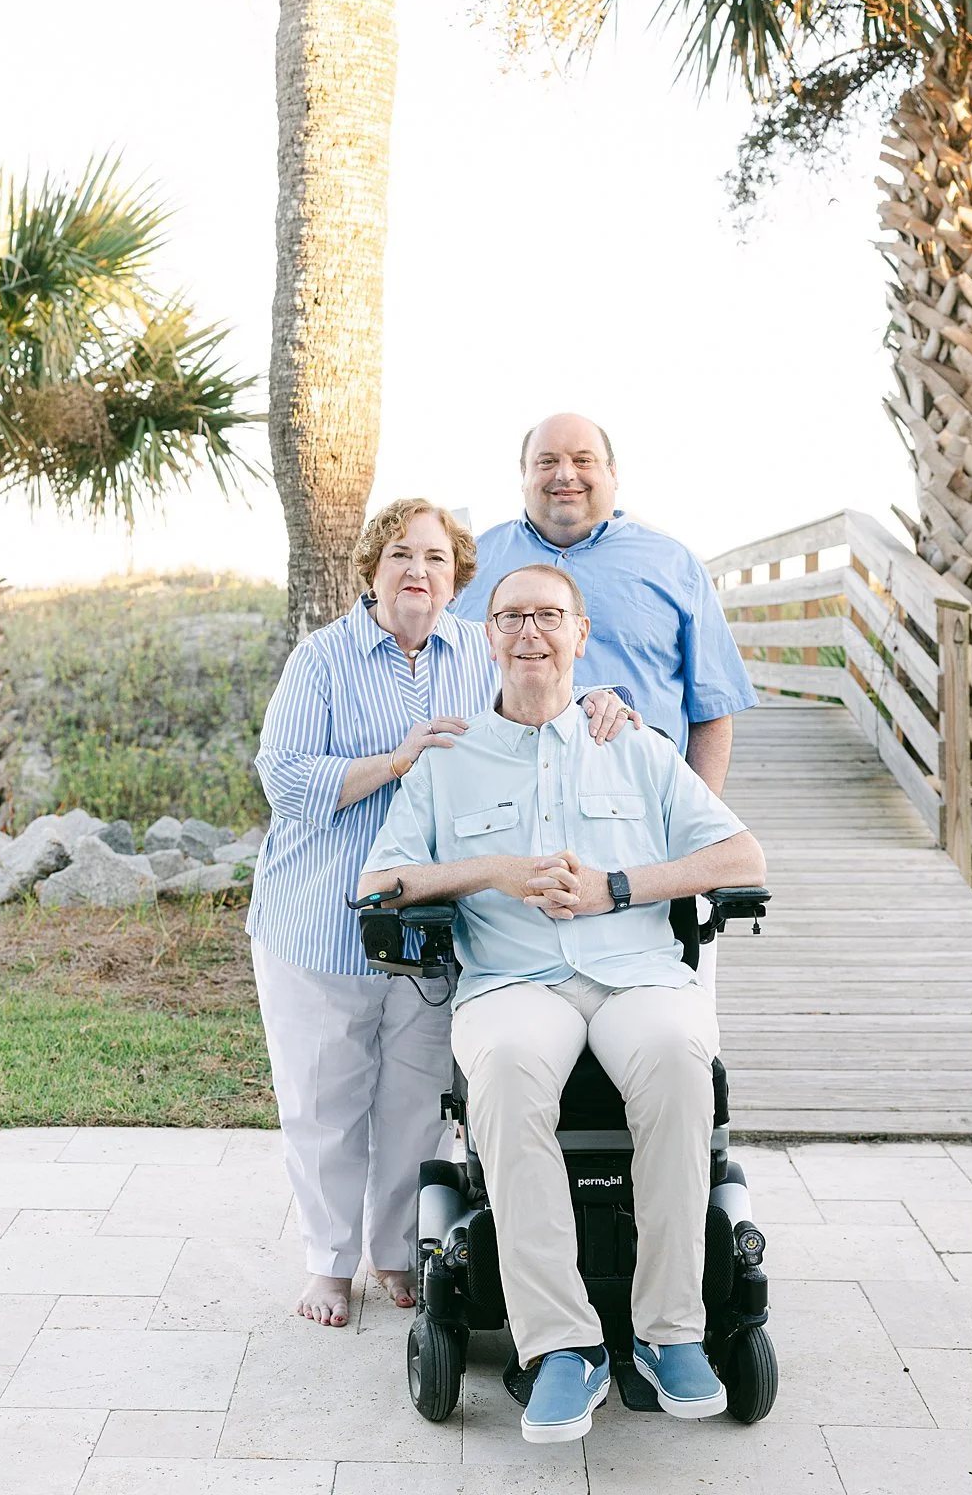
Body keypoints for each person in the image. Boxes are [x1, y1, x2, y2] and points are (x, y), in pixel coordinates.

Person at [358, 563, 767, 1445]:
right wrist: (496, 871)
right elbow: (381, 878)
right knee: (502, 1066)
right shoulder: (451, 759)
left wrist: (619, 887)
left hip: (638, 971)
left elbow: (743, 860)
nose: (531, 632)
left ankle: (671, 1333)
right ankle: (562, 1349)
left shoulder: (637, 745)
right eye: (512, 617)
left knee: (672, 1053)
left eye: (549, 615)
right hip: (513, 981)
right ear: (488, 635)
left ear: (582, 634)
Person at [249, 500, 638, 1329]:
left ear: (458, 577)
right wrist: (397, 760)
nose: (416, 570)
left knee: (416, 1100)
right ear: (371, 569)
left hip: (438, 931)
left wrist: (608, 706)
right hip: (321, 917)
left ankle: (395, 1250)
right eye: (399, 554)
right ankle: (327, 1260)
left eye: (434, 557)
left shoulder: (476, 650)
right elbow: (282, 779)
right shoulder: (321, 660)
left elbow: (540, 702)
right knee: (325, 1096)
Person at [452, 413, 755, 794]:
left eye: (583, 460)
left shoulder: (676, 566)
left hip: (638, 802)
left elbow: (711, 710)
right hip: (499, 798)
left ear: (612, 472)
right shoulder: (469, 564)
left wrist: (697, 823)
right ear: (524, 473)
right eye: (547, 462)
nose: (565, 474)